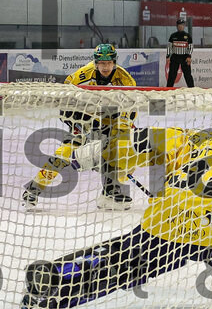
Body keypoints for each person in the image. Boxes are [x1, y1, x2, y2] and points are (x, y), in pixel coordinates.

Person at [21, 107, 212, 309]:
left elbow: (133, 143)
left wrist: (83, 156)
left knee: (123, 262)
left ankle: (54, 282)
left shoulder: (187, 137)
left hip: (169, 220)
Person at [22, 43, 138, 210]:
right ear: (96, 63)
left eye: (109, 63)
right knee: (65, 152)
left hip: (110, 119)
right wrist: (75, 121)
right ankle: (33, 190)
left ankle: (110, 193)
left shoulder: (126, 80)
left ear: (114, 62)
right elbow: (64, 101)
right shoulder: (81, 76)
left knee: (122, 153)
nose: (105, 67)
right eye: (102, 63)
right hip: (83, 117)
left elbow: (131, 110)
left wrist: (124, 126)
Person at [166, 17, 194, 87]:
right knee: (172, 74)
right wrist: (168, 56)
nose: (180, 27)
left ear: (184, 26)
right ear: (177, 26)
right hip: (175, 56)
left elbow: (190, 47)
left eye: (182, 25)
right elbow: (169, 47)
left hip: (184, 57)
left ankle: (191, 88)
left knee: (187, 74)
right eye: (179, 25)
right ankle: (168, 88)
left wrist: (189, 56)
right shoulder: (173, 36)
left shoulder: (187, 36)